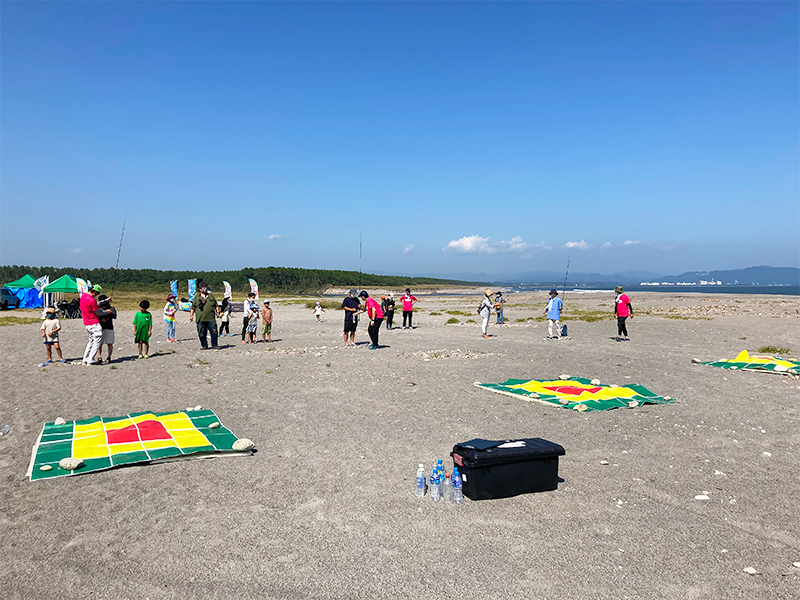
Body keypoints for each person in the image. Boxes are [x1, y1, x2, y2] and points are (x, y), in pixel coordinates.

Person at [80, 284, 105, 365]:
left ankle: (85, 358)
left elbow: (93, 305)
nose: (97, 295)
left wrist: (105, 301)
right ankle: (91, 359)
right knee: (97, 341)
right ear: (94, 292)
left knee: (91, 341)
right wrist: (106, 312)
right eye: (97, 293)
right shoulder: (92, 300)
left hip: (87, 323)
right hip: (94, 323)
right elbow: (96, 311)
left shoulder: (83, 296)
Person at [190, 284, 220, 349]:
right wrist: (191, 316)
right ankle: (204, 345)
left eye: (206, 287)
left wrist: (217, 312)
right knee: (201, 333)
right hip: (200, 318)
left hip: (211, 318)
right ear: (200, 289)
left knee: (214, 332)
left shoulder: (211, 296)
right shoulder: (197, 297)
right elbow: (192, 308)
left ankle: (215, 345)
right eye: (203, 288)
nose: (205, 289)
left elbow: (216, 305)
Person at [96, 294, 117, 363]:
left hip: (109, 327)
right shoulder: (98, 309)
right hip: (100, 327)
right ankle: (99, 357)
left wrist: (109, 313)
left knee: (109, 343)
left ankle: (109, 357)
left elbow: (114, 316)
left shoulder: (111, 308)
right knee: (99, 343)